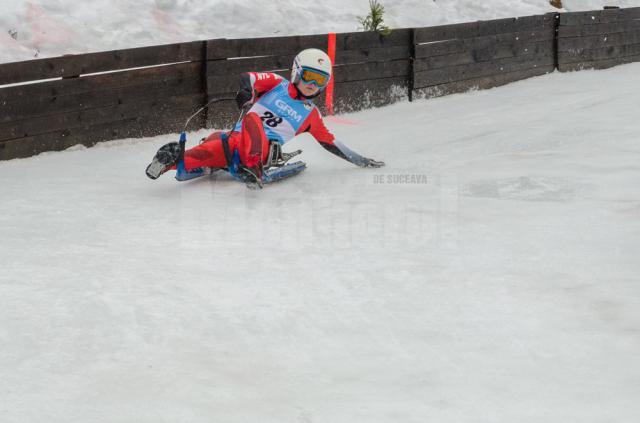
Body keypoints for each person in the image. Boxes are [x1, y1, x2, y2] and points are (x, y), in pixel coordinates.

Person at [146, 48, 385, 188]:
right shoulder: (276, 84)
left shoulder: (311, 115)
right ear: (296, 72)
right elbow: (248, 78)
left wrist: (361, 160)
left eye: (320, 81)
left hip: (260, 151)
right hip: (234, 143)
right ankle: (171, 161)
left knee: (253, 120)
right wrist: (246, 92)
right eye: (309, 76)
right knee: (212, 144)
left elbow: (330, 142)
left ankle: (252, 168)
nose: (313, 85)